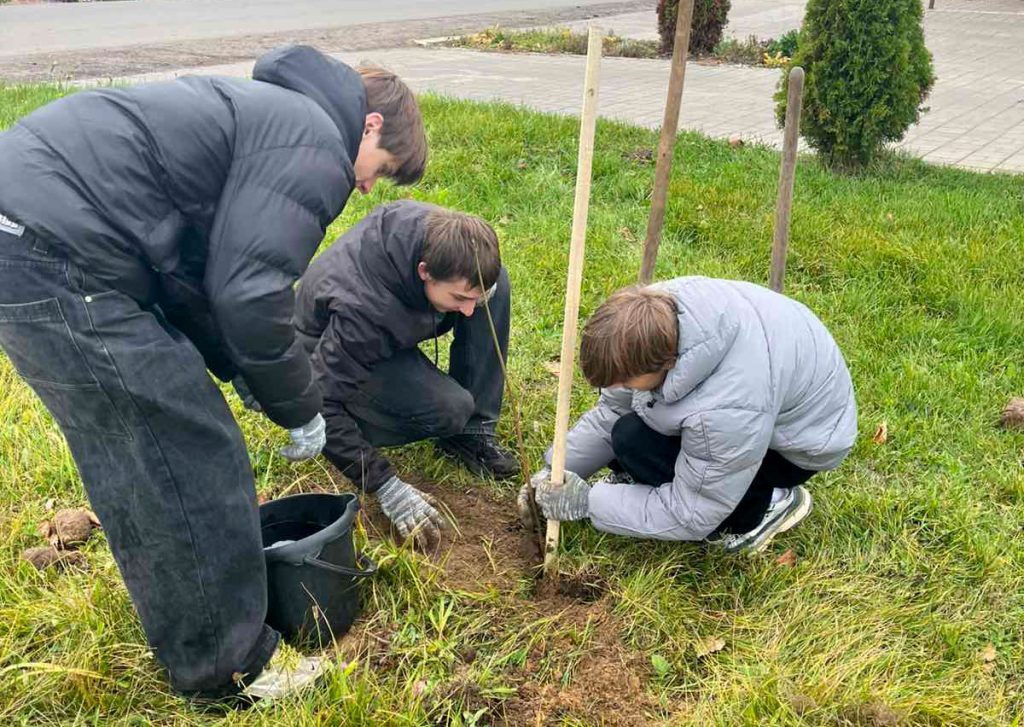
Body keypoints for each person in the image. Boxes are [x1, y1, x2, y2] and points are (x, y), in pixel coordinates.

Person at [0, 45, 426, 700]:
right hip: (56, 247)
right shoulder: (314, 139)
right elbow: (250, 293)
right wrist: (300, 403)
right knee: (186, 449)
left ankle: (193, 627)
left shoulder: (272, 117)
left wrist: (245, 373)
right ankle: (230, 667)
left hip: (32, 235)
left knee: (138, 449)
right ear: (370, 125)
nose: (368, 186)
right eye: (383, 168)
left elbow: (196, 279)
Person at [520, 277, 857, 553]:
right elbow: (612, 411)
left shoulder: (728, 403)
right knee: (628, 434)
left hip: (799, 445)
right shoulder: (654, 318)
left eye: (625, 379)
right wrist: (555, 472)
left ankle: (766, 505)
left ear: (665, 364)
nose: (620, 386)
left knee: (647, 450)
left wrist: (588, 502)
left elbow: (692, 511)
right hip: (766, 398)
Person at [290, 200, 517, 549]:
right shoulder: (363, 312)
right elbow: (321, 404)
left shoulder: (438, 235)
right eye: (459, 298)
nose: (470, 310)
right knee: (450, 408)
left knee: (494, 284)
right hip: (325, 352)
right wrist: (384, 484)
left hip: (388, 324)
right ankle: (372, 420)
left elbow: (473, 288)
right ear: (425, 271)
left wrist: (474, 294)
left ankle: (473, 434)